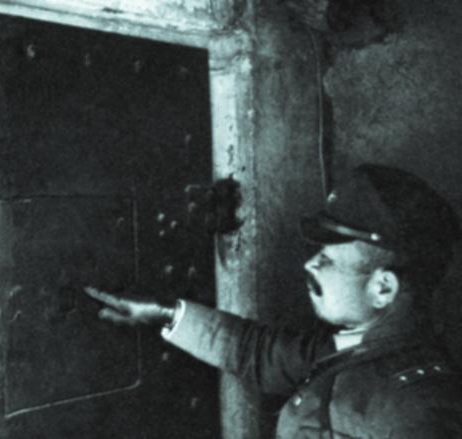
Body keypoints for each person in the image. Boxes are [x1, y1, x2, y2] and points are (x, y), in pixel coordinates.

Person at [85, 163, 462, 438]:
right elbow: (256, 351)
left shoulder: (416, 410)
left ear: (383, 289)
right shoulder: (361, 348)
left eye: (328, 260)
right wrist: (165, 312)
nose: (310, 264)